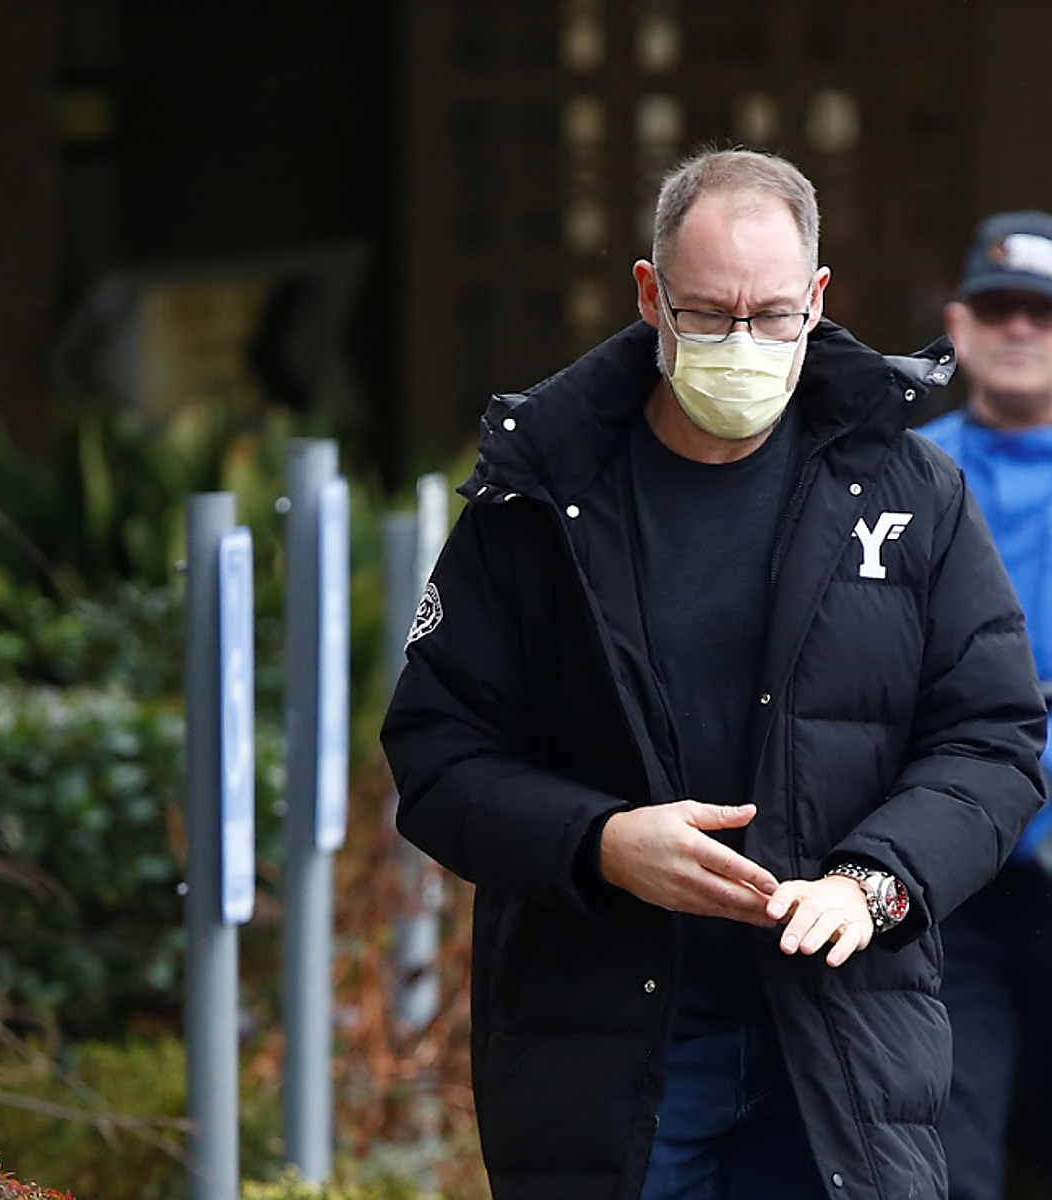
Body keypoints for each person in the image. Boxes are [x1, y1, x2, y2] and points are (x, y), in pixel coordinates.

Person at [381, 148, 1047, 1200]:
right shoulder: (534, 508)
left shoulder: (915, 496)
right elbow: (435, 755)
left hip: (839, 1047)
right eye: (708, 313)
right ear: (650, 296)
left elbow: (994, 739)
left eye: (774, 315)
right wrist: (599, 844)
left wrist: (875, 882)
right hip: (606, 1051)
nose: (743, 343)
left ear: (819, 301)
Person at [919, 211, 1052, 1200]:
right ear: (958, 327)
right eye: (1000, 310)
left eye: (1041, 314)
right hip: (951, 872)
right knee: (952, 1154)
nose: (1020, 330)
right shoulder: (896, 474)